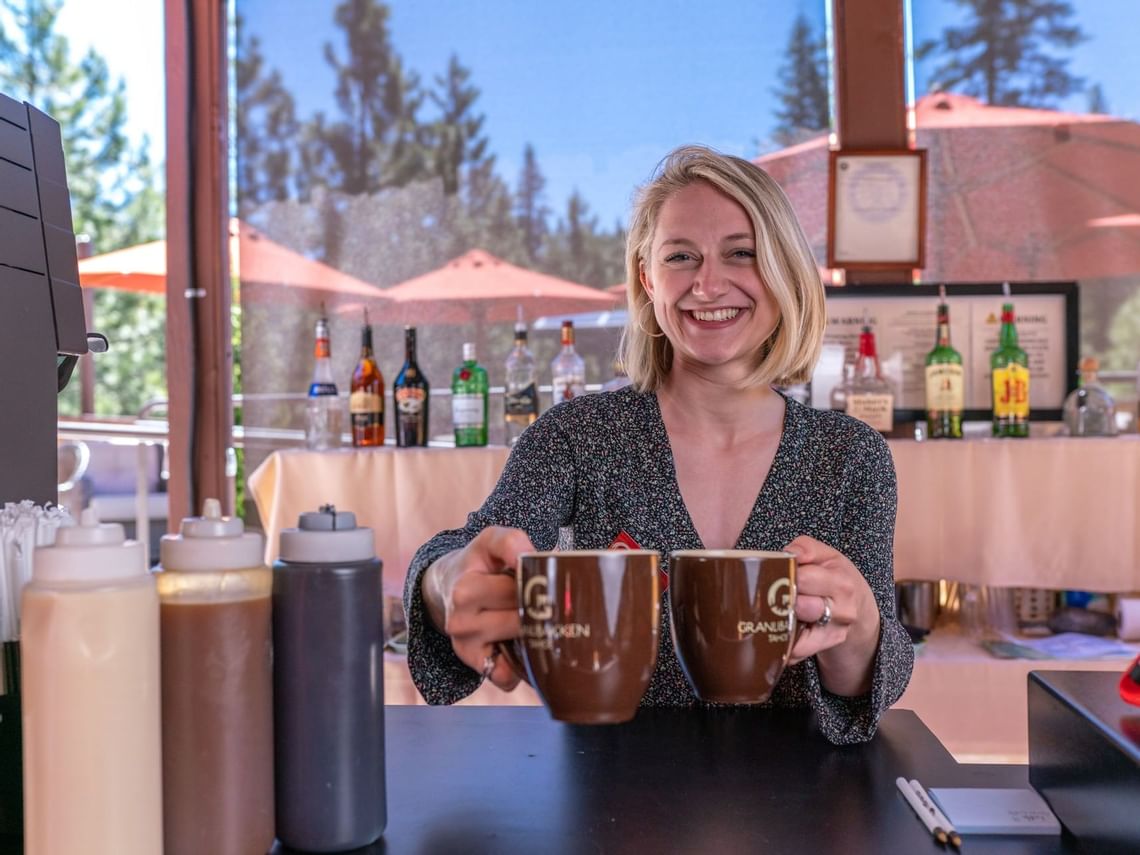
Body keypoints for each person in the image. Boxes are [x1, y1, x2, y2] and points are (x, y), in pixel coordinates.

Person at [403, 144, 913, 745]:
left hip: (800, 799)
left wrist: (858, 634)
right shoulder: (577, 436)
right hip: (610, 797)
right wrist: (445, 584)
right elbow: (466, 554)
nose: (708, 282)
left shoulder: (850, 456)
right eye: (681, 257)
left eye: (741, 253)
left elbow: (874, 680)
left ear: (785, 273)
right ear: (647, 280)